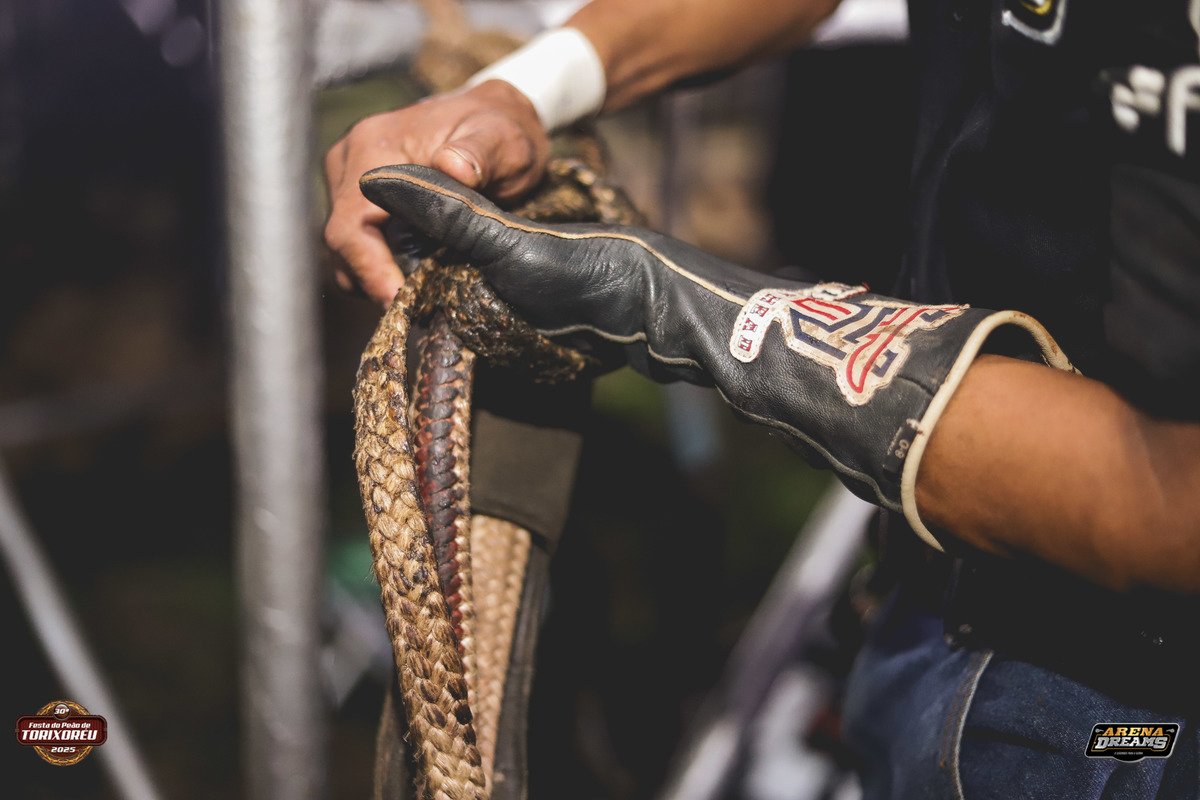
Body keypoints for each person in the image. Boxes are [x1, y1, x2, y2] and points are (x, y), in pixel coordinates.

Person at [325, 1, 1200, 797]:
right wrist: (527, 88)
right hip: (928, 595)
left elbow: (1175, 500)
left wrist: (680, 306)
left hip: (1123, 721)